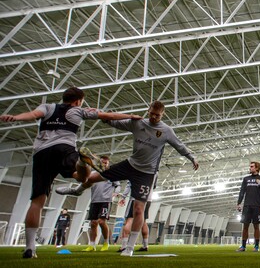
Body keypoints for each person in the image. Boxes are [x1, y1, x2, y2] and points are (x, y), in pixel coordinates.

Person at [0, 87, 139, 259]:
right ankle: (81, 161)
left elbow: (32, 114)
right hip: (64, 149)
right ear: (78, 101)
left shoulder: (48, 107)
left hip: (42, 153)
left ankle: (30, 248)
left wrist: (14, 117)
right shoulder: (78, 110)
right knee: (83, 177)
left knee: (37, 202)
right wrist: (132, 117)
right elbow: (108, 115)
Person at [56, 100, 199, 257]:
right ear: (148, 110)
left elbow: (179, 145)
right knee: (92, 178)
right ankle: (77, 191)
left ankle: (129, 248)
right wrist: (100, 114)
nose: (153, 117)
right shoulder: (137, 123)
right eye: (151, 113)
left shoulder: (166, 131)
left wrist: (192, 157)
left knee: (139, 210)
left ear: (162, 114)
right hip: (129, 165)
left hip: (146, 174)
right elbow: (115, 123)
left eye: (157, 115)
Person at [83, 155, 120, 252]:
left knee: (101, 222)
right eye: (102, 162)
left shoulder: (111, 174)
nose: (104, 164)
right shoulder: (93, 174)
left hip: (106, 200)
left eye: (106, 162)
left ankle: (106, 242)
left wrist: (116, 192)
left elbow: (118, 186)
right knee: (93, 223)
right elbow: (86, 183)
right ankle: (92, 245)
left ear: (108, 163)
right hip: (94, 200)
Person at [236, 161, 260, 252]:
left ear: (257, 168)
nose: (250, 168)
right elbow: (242, 192)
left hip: (257, 206)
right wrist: (239, 203)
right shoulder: (246, 179)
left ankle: (256, 246)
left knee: (256, 227)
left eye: (252, 166)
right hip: (247, 206)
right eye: (250, 166)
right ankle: (243, 246)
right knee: (245, 226)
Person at [117, 181, 152, 252]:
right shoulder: (154, 172)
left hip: (135, 198)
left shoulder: (136, 170)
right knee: (144, 221)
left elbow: (129, 185)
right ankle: (145, 245)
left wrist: (123, 197)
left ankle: (124, 246)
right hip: (148, 199)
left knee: (129, 220)